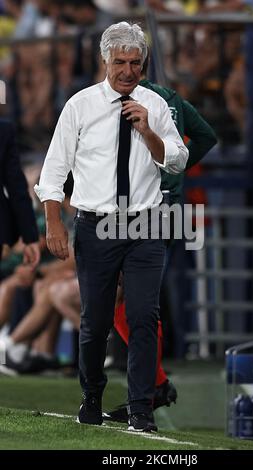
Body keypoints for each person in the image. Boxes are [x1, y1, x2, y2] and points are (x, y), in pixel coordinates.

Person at [34, 21, 188, 433]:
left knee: (143, 317)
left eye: (136, 62)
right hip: (95, 225)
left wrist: (149, 131)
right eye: (120, 62)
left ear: (144, 63)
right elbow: (53, 173)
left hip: (146, 225)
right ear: (105, 60)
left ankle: (141, 407)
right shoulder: (79, 105)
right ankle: (91, 395)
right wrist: (54, 224)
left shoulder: (155, 105)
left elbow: (177, 159)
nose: (128, 70)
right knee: (95, 321)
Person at [105, 56, 217, 422]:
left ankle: (153, 387)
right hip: (169, 208)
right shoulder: (172, 97)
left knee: (129, 299)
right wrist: (179, 165)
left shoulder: (128, 101)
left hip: (139, 207)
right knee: (134, 298)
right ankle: (154, 384)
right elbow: (207, 136)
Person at [0, 120, 40, 267]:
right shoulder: (4, 129)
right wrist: (29, 237)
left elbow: (16, 187)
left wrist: (29, 236)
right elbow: (16, 188)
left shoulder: (4, 130)